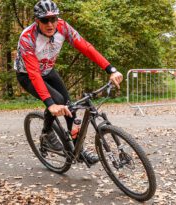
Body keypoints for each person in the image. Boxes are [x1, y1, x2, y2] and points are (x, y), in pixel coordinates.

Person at [14, 0, 123, 165]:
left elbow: (86, 47)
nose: (50, 24)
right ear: (37, 21)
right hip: (27, 75)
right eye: (45, 20)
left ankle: (78, 150)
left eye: (53, 19)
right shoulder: (27, 38)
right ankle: (47, 132)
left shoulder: (63, 27)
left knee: (69, 107)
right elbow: (34, 73)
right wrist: (50, 104)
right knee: (57, 101)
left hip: (48, 70)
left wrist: (111, 69)